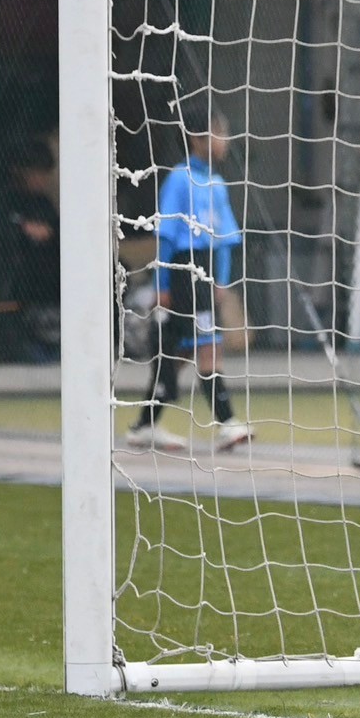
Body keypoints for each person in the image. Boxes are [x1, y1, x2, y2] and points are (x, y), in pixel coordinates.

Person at [126, 100, 254, 453]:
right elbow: (167, 238)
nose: (225, 139)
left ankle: (144, 425)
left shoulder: (217, 183)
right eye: (219, 132)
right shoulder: (179, 180)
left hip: (207, 276)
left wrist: (221, 280)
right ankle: (227, 423)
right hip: (185, 274)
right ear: (197, 138)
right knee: (208, 347)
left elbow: (224, 241)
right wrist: (162, 285)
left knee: (179, 353)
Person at [0, 136, 62, 363]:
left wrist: (50, 233)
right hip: (17, 282)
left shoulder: (43, 204)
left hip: (47, 283)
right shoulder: (4, 201)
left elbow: (56, 231)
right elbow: (1, 230)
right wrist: (24, 229)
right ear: (19, 171)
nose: (42, 180)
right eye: (37, 173)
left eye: (45, 174)